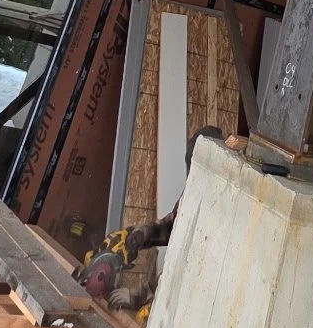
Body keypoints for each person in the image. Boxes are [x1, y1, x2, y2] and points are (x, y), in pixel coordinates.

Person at [77, 126, 232, 307]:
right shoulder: (195, 192)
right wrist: (142, 235)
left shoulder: (220, 210)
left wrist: (140, 296)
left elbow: (186, 268)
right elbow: (173, 225)